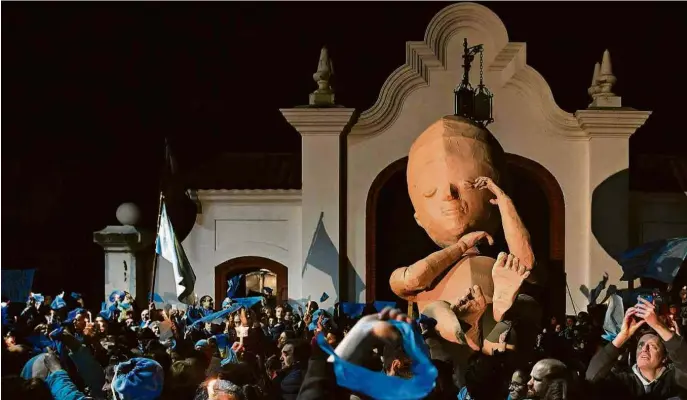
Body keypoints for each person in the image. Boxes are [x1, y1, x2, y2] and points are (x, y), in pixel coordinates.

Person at [586, 297, 687, 399]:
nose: (644, 349)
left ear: (664, 357)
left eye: (652, 346)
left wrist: (658, 326)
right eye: (640, 345)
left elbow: (684, 363)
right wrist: (623, 336)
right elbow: (591, 380)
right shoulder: (622, 382)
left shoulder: (675, 381)